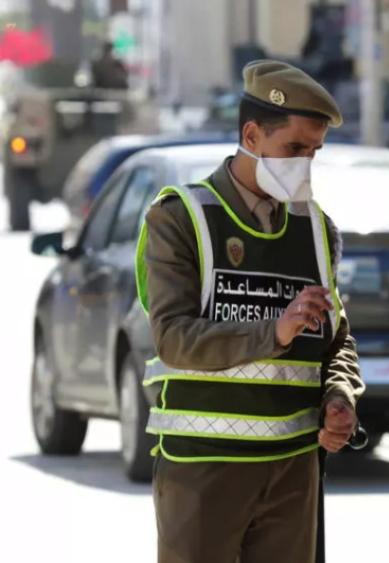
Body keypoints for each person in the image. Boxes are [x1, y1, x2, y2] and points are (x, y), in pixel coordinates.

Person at [135, 60, 365, 563]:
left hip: (292, 470)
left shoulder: (316, 230)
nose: (305, 163)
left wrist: (340, 394)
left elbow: (336, 339)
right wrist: (274, 331)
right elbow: (174, 337)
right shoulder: (180, 217)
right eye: (295, 149)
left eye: (315, 152)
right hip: (203, 469)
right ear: (252, 135)